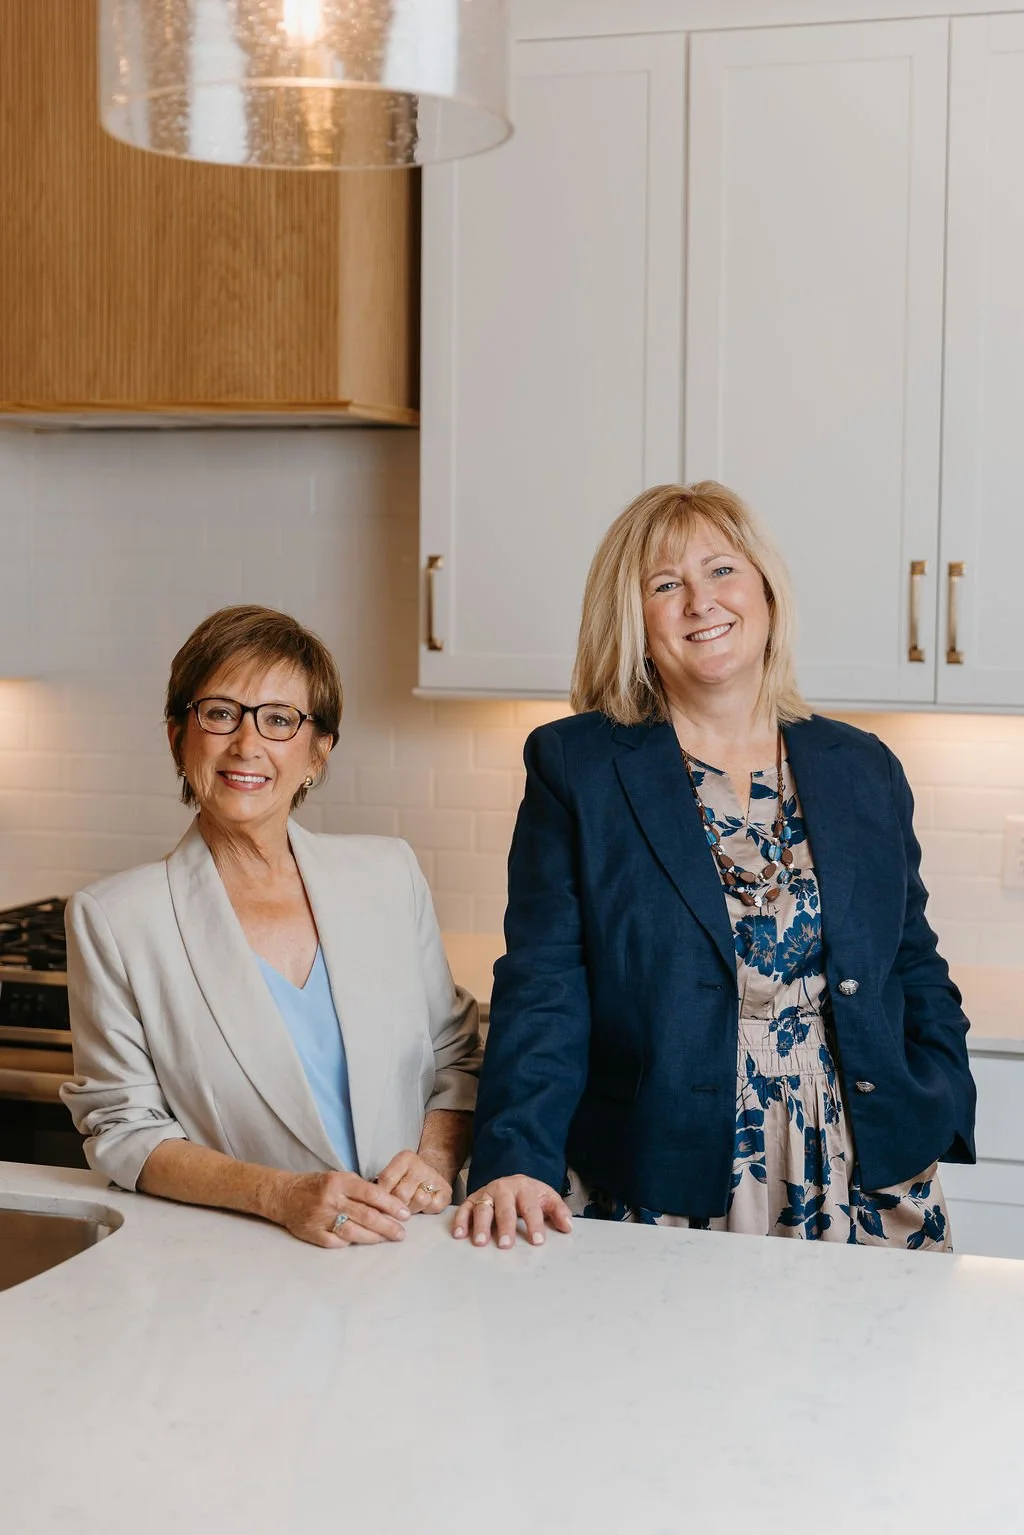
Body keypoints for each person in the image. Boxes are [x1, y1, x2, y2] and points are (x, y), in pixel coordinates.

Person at [455, 482, 976, 1251]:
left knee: (877, 1367)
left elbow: (912, 957)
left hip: (865, 1165)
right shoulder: (578, 766)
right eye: (666, 585)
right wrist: (515, 1155)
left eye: (722, 570)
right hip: (663, 1165)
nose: (702, 601)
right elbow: (545, 981)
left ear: (764, 589)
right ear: (634, 620)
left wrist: (941, 1092)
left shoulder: (863, 766)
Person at [62, 605, 480, 1248]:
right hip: (239, 1262)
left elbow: (456, 1056)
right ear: (178, 738)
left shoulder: (387, 875)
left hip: (407, 1252)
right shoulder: (116, 919)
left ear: (318, 752)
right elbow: (123, 1131)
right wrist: (278, 1196)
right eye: (220, 713)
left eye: (280, 720)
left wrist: (434, 1163)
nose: (247, 744)